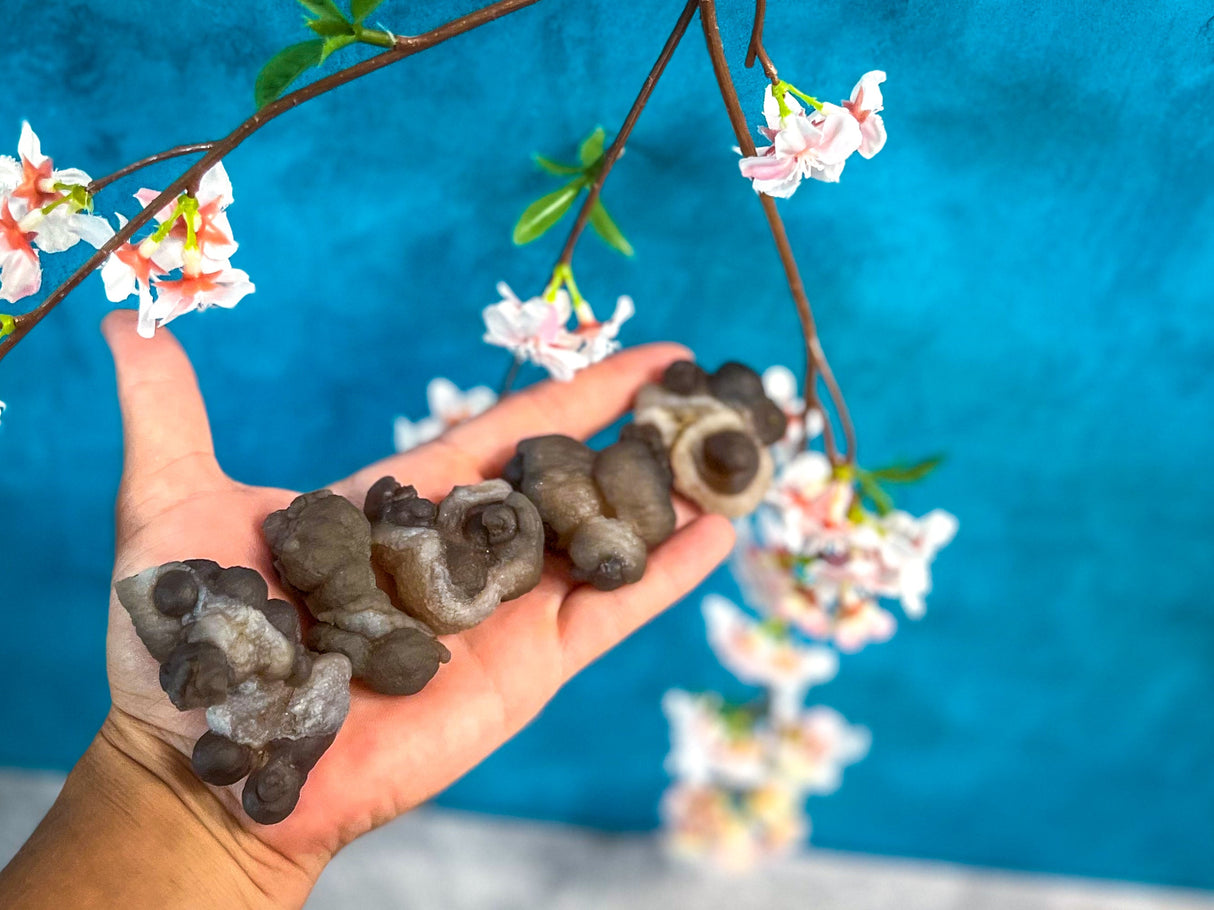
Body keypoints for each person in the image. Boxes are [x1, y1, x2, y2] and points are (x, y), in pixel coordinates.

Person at [0, 311, 734, 908]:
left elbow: (353, 604)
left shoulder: (430, 588)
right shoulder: (345, 614)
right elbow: (312, 621)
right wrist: (174, 792)